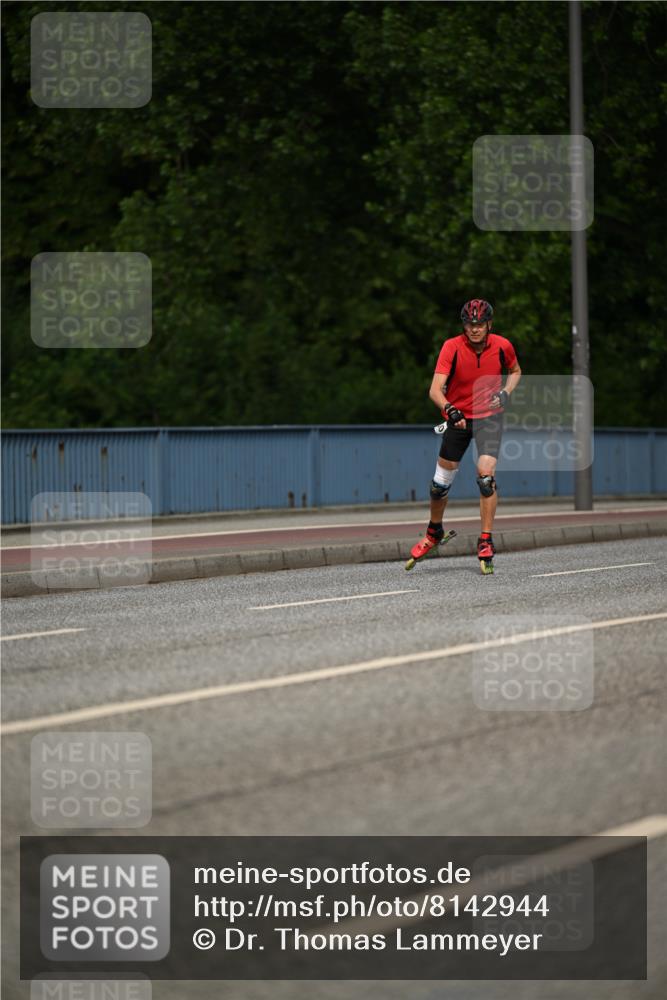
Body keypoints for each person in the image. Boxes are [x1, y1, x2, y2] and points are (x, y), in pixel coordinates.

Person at [409, 298, 522, 574]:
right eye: (470, 324)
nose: (474, 329)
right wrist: (449, 408)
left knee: (486, 478)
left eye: (479, 324)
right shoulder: (452, 347)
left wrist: (505, 393)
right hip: (458, 419)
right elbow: (435, 389)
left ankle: (485, 540)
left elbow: (516, 372)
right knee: (439, 485)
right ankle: (434, 531)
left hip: (489, 418)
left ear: (489, 325)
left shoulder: (503, 346)